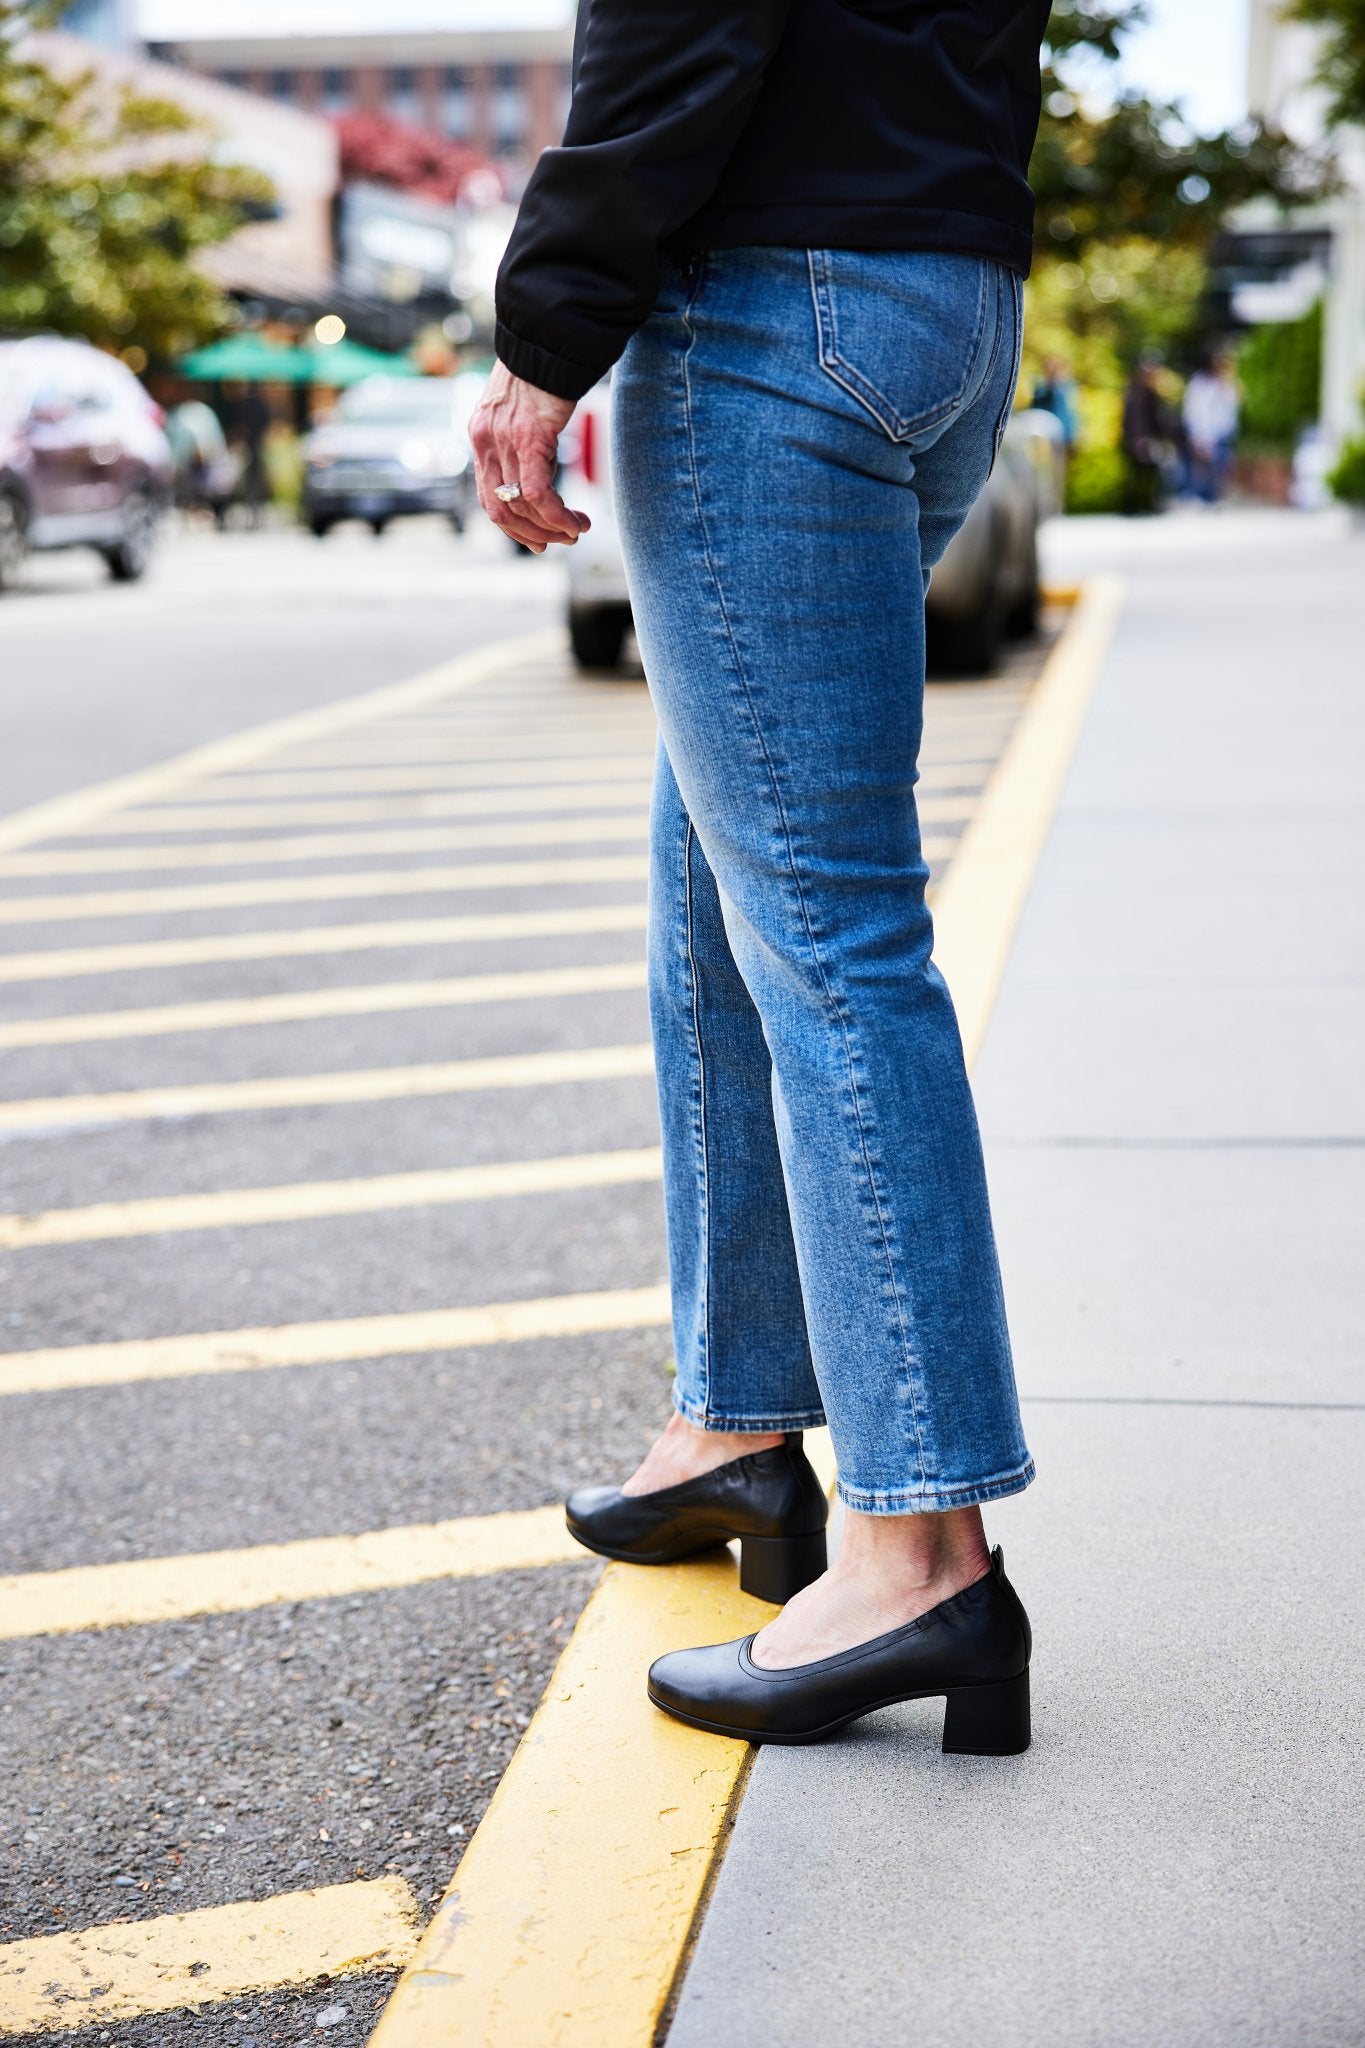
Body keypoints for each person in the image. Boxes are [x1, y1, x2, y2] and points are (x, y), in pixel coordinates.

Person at [469, 0, 1042, 1756]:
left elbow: (680, 24)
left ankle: (922, 1541)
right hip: (942, 296)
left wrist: (546, 329)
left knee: (830, 930)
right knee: (727, 868)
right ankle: (739, 1428)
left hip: (769, 315)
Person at [1182, 349, 1240, 504]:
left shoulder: (1226, 383)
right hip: (1204, 434)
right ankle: (1201, 498)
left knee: (1220, 468)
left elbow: (1233, 406)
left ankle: (1213, 498)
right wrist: (1199, 435)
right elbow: (1194, 411)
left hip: (1223, 434)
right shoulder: (1200, 383)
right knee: (1203, 468)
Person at [1120, 353, 1176, 515]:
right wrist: (1137, 439)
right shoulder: (1135, 393)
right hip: (1138, 440)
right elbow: (1133, 419)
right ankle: (1134, 506)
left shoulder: (1150, 393)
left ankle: (1146, 504)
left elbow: (1158, 419)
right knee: (1137, 475)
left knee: (1148, 474)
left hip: (1146, 439)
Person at [1030, 354, 1079, 451]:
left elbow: (1068, 410)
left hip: (1062, 431)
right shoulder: (1040, 388)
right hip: (1043, 431)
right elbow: (1035, 409)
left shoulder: (1066, 387)